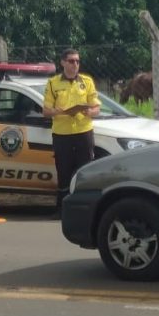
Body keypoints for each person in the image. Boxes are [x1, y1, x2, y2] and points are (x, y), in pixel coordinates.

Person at [42, 48, 101, 214]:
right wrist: (57, 111)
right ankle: (62, 209)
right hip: (62, 134)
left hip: (84, 131)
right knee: (64, 170)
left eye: (77, 61)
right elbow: (46, 111)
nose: (75, 64)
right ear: (63, 63)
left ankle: (86, 209)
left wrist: (90, 112)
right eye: (71, 61)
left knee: (86, 170)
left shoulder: (86, 81)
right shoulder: (53, 83)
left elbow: (96, 107)